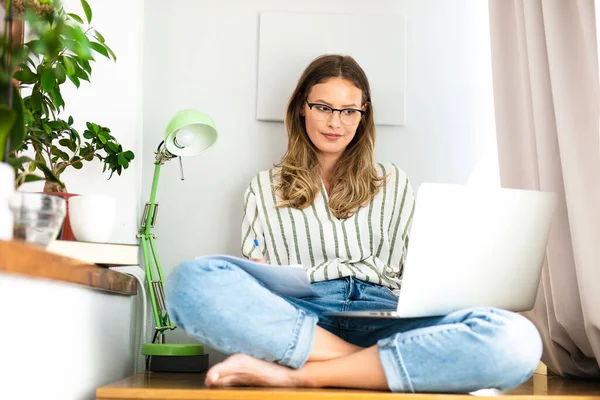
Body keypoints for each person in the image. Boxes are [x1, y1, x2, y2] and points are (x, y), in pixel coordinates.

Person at [165, 54, 542, 393]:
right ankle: (371, 364)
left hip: (387, 315)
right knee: (190, 281)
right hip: (304, 316)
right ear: (301, 108)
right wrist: (257, 276)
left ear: (364, 114)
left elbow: (419, 270)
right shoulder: (263, 187)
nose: (335, 122)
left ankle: (304, 375)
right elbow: (254, 275)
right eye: (323, 107)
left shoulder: (394, 181)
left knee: (516, 340)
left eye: (349, 111)